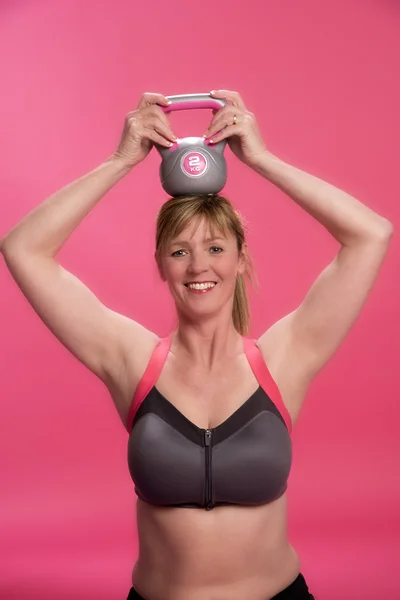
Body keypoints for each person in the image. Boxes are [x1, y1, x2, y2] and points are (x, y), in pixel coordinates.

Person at [0, 90, 393, 600]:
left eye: (214, 248)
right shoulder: (133, 360)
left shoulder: (282, 358)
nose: (199, 266)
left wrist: (262, 159)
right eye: (179, 251)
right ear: (162, 264)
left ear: (240, 259)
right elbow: (23, 249)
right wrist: (122, 161)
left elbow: (371, 234)